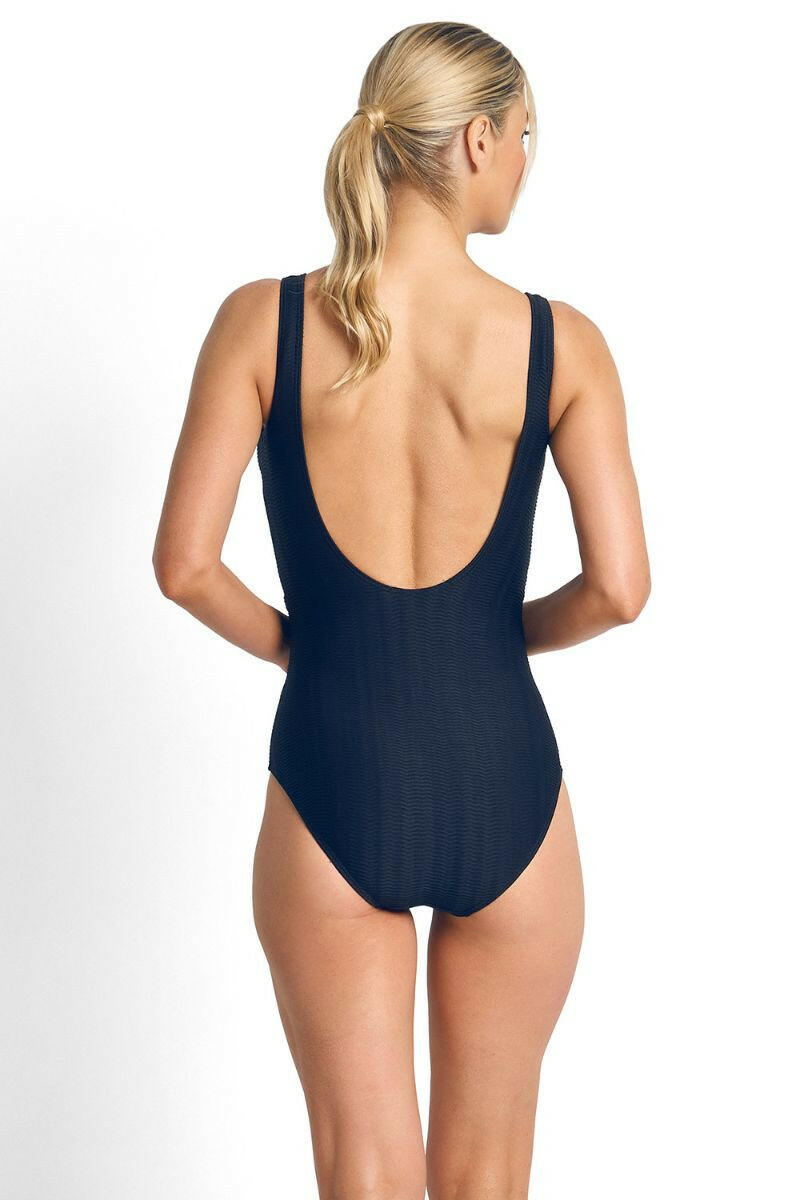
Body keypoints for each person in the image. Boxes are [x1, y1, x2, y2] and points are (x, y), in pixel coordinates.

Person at [152, 20, 650, 1200]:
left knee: (362, 1176)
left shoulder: (262, 322)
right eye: (523, 136)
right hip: (505, 778)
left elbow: (184, 566)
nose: (524, 161)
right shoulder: (559, 344)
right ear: (476, 139)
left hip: (332, 769)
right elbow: (619, 589)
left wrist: (310, 651)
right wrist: (493, 642)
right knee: (488, 1180)